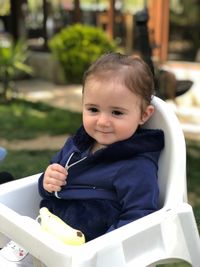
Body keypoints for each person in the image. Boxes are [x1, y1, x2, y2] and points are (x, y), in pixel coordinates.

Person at [0, 52, 164, 265]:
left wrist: (101, 251)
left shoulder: (136, 166)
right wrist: (47, 181)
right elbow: (48, 185)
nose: (103, 121)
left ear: (143, 115)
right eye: (93, 109)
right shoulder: (78, 145)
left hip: (86, 248)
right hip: (49, 228)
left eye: (117, 113)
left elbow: (139, 218)